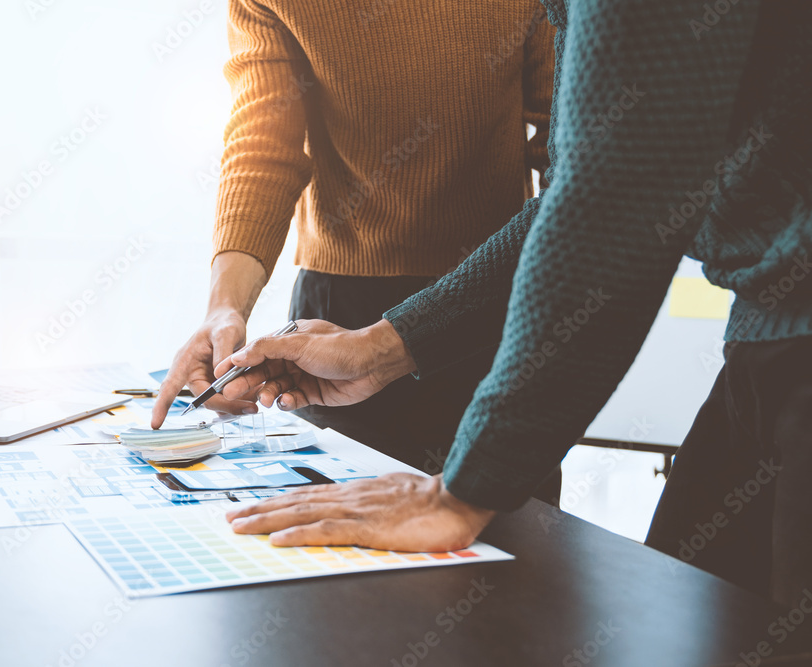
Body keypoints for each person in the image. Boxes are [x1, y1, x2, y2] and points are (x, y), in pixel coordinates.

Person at [215, 0, 812, 609]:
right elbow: (586, 189)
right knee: (690, 606)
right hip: (770, 328)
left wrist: (466, 489)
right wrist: (378, 350)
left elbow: (606, 199)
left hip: (787, 331)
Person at [151, 0, 555, 478]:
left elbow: (575, 152)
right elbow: (264, 145)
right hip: (334, 310)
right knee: (329, 529)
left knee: (508, 530)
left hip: (493, 292)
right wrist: (225, 306)